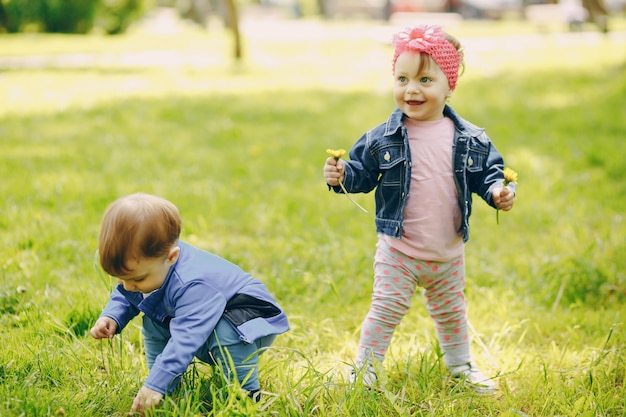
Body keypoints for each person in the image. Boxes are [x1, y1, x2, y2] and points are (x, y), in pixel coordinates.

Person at [323, 24, 515, 393]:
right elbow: (362, 174)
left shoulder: (470, 138)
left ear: (449, 85)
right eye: (402, 78)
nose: (411, 89)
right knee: (385, 311)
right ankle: (366, 371)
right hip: (399, 250)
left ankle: (461, 367)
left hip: (447, 252)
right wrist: (342, 174)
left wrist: (497, 192)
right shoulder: (384, 137)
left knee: (452, 313)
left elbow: (488, 176)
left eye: (426, 80)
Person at [89, 192, 289, 415]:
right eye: (120, 278)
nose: (127, 286)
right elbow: (129, 295)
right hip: (211, 316)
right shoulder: (153, 265)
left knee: (226, 333)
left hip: (250, 318)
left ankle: (244, 397)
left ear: (172, 257)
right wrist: (112, 316)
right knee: (154, 322)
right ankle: (164, 389)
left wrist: (157, 384)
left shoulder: (192, 284)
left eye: (137, 279)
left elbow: (186, 338)